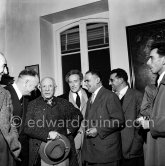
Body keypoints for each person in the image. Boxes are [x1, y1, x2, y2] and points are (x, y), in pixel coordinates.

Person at [24, 77, 83, 166]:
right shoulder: (32, 105)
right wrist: (47, 134)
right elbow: (27, 128)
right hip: (41, 152)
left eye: (50, 86)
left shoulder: (63, 103)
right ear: (40, 88)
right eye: (44, 86)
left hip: (62, 151)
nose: (47, 89)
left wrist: (70, 129)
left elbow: (78, 115)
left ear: (55, 87)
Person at [82, 70, 125, 166]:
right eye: (85, 81)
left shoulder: (110, 96)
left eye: (87, 81)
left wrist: (98, 129)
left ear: (97, 80)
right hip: (92, 153)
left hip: (106, 153)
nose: (85, 84)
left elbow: (119, 120)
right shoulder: (90, 99)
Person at [109, 68, 144, 166]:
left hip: (132, 149)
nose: (110, 83)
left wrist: (136, 142)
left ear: (120, 80)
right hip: (114, 149)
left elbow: (141, 121)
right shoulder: (111, 97)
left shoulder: (137, 95)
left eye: (112, 80)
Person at [138, 40, 165, 166]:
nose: (148, 62)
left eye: (152, 58)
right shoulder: (159, 84)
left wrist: (150, 123)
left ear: (164, 60)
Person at [5, 69, 40, 166]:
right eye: (35, 86)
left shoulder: (26, 98)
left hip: (22, 150)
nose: (35, 89)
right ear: (26, 83)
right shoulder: (5, 93)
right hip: (7, 151)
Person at [58, 69, 90, 166]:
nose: (73, 84)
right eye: (70, 82)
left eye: (75, 81)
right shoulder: (61, 99)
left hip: (89, 139)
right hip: (72, 140)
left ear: (81, 81)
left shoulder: (91, 95)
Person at [0, 52, 21, 166]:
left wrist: (16, 146)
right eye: (4, 66)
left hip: (6, 151)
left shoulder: (6, 93)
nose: (6, 72)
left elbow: (12, 123)